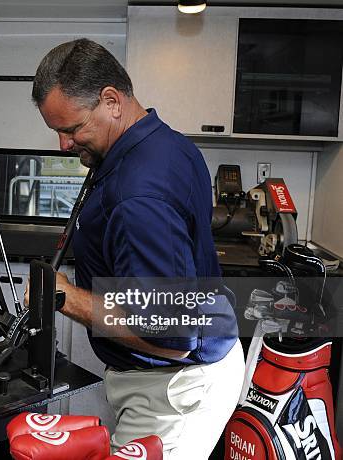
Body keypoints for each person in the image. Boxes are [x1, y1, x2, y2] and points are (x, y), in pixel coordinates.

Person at [29, 39, 245, 458]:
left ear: (111, 100)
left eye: (72, 129)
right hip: (169, 380)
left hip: (174, 393)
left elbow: (173, 334)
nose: (63, 145)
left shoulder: (139, 194)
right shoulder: (164, 144)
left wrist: (64, 297)